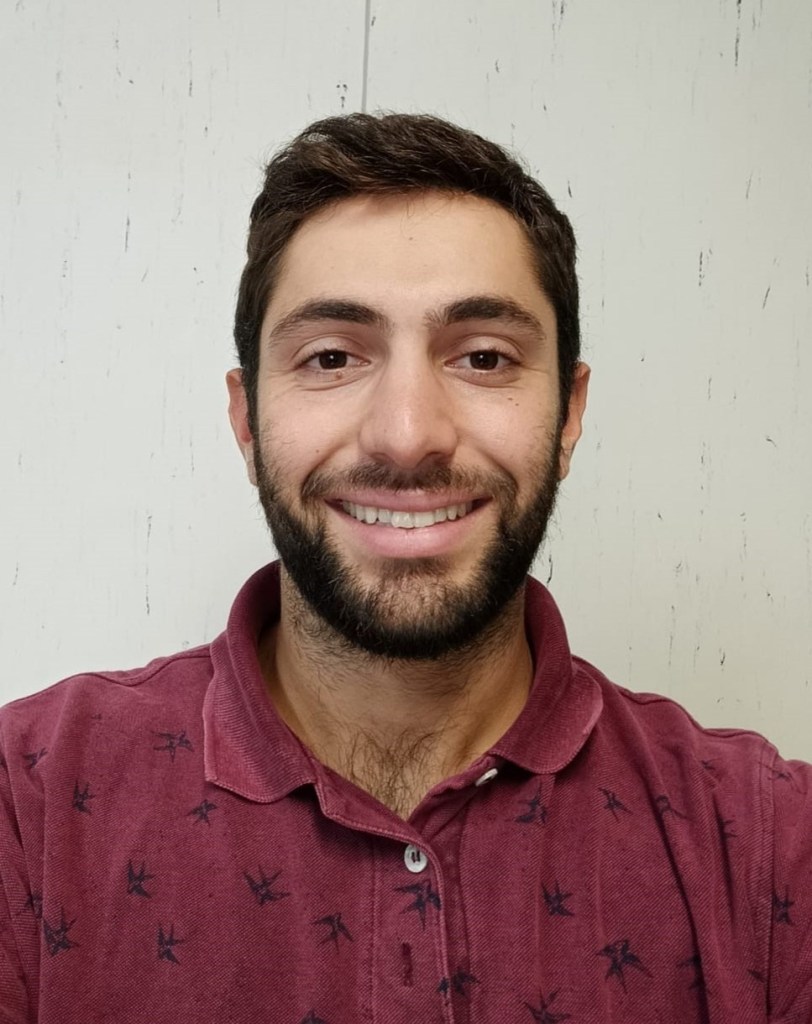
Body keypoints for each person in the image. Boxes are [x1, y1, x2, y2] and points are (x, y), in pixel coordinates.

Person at [0, 113, 809, 1024]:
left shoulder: (772, 844)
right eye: (332, 357)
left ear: (569, 413)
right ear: (248, 420)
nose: (408, 434)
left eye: (484, 357)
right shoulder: (26, 804)